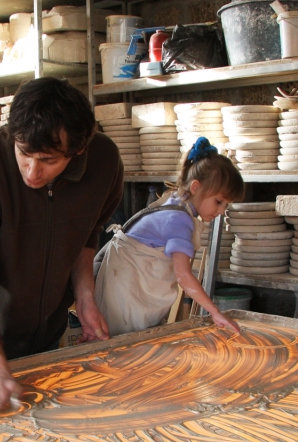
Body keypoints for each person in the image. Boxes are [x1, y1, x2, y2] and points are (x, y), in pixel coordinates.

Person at [0, 77, 124, 414]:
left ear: (79, 149)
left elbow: (86, 234)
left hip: (43, 336)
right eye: (24, 154)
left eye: (49, 161)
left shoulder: (104, 164)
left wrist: (84, 299)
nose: (32, 173)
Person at [95, 136, 245, 336]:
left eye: (226, 205)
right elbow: (183, 275)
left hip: (124, 281)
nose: (221, 211)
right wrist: (215, 312)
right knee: (122, 345)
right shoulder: (179, 219)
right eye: (218, 201)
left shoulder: (177, 201)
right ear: (195, 187)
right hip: (126, 287)